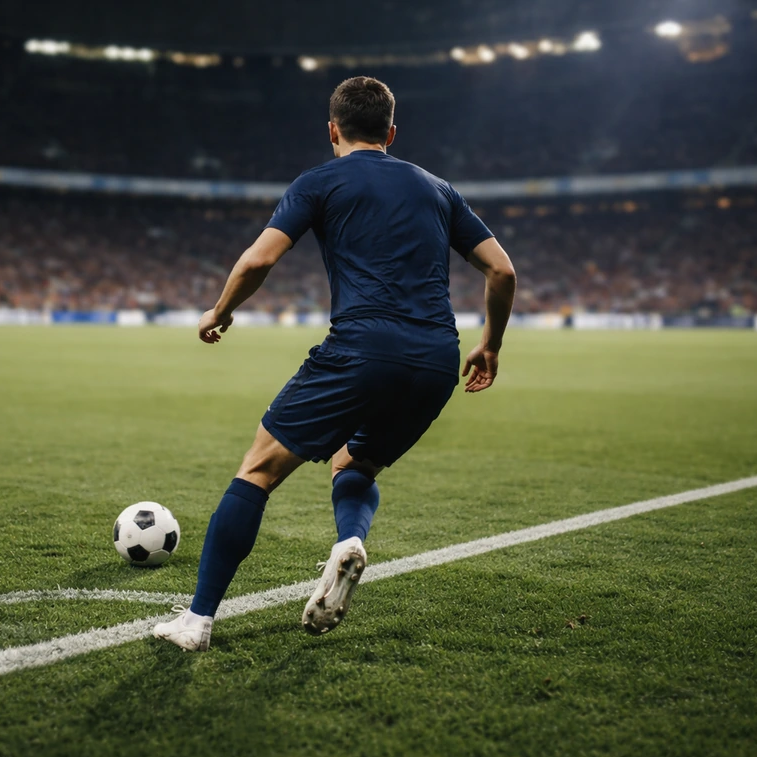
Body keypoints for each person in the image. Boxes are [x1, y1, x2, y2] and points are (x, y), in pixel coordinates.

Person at [154, 76, 516, 651]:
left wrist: (219, 311)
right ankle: (349, 541)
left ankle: (196, 621)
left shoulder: (318, 181)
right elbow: (503, 271)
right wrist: (491, 344)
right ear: (392, 133)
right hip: (433, 358)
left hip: (361, 348)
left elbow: (258, 259)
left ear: (332, 131)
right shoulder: (438, 189)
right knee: (354, 464)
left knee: (257, 471)